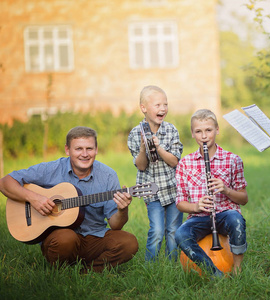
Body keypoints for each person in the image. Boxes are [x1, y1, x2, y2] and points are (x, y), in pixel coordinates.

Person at [0, 126, 138, 273]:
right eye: (78, 149)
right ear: (67, 150)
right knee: (66, 238)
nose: (84, 154)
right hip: (61, 239)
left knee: (129, 243)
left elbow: (115, 225)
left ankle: (86, 273)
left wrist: (122, 210)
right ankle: (62, 270)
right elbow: (5, 182)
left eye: (89, 149)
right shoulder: (51, 169)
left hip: (94, 236)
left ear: (96, 150)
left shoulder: (108, 175)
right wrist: (34, 198)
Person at [175, 109, 248, 277]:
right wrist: (196, 206)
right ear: (193, 134)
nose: (204, 136)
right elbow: (180, 203)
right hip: (199, 218)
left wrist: (226, 189)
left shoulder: (233, 160)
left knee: (236, 219)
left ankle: (237, 270)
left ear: (217, 129)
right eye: (198, 131)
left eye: (208, 130)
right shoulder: (185, 163)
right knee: (181, 235)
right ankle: (214, 273)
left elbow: (244, 199)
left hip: (224, 215)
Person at [127, 85, 183, 262]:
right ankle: (150, 266)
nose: (163, 108)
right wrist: (144, 147)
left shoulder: (171, 130)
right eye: (158, 105)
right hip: (152, 192)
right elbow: (141, 166)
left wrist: (158, 147)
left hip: (173, 189)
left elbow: (175, 161)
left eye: (165, 104)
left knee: (173, 230)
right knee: (157, 230)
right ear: (144, 108)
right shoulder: (135, 134)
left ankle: (172, 264)